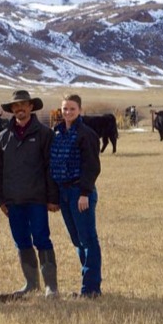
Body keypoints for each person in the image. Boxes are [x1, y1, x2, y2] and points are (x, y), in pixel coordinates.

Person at [0, 90, 59, 301]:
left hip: (37, 199)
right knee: (21, 241)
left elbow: (51, 168)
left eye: (23, 105)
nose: (19, 109)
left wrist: (52, 197)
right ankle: (31, 284)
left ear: (31, 107)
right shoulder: (3, 137)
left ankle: (51, 287)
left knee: (42, 239)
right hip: (12, 201)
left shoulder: (45, 134)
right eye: (15, 106)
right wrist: (0, 199)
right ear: (11, 110)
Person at [49, 94, 102, 298]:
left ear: (79, 109)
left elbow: (92, 166)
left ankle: (91, 289)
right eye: (64, 109)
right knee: (77, 240)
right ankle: (88, 284)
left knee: (88, 239)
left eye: (72, 108)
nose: (68, 112)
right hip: (63, 192)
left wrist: (85, 192)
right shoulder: (58, 132)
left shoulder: (85, 133)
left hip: (80, 192)